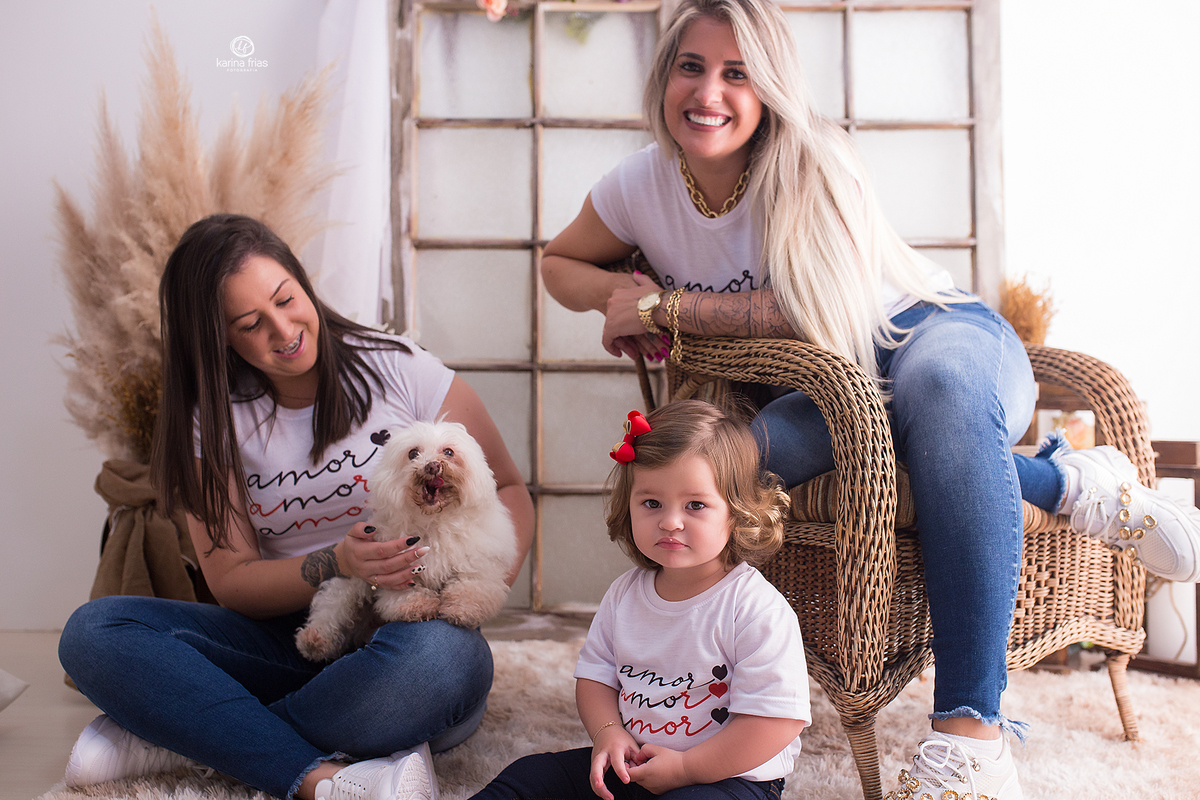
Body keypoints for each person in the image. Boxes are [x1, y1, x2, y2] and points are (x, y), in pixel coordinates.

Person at [539, 1, 1200, 797]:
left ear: (771, 88)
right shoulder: (641, 182)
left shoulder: (815, 162)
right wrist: (619, 293)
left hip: (930, 335)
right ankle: (1072, 485)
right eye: (692, 66)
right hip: (831, 388)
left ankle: (970, 742)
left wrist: (665, 307)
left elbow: (814, 306)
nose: (709, 92)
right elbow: (559, 264)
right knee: (728, 463)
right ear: (664, 76)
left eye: (737, 73)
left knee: (940, 397)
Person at [58, 214, 535, 800]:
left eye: (286, 299)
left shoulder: (400, 368)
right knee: (94, 631)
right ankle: (319, 776)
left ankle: (195, 734)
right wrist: (340, 561)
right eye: (250, 324)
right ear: (219, 338)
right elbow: (233, 581)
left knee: (439, 662)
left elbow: (508, 489)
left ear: (303, 283)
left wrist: (475, 590)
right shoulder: (213, 418)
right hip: (288, 640)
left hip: (410, 631)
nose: (284, 330)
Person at [471, 400, 809, 800]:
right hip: (633, 764)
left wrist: (686, 768)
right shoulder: (624, 595)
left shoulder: (755, 609)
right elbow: (596, 678)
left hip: (728, 779)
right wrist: (608, 733)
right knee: (530, 776)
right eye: (652, 503)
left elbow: (775, 722)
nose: (670, 521)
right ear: (628, 505)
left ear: (737, 513)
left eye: (696, 505)